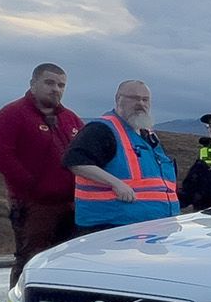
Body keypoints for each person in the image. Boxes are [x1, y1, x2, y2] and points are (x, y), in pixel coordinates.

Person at [0, 63, 85, 284]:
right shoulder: (11, 114)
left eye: (61, 85)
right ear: (33, 84)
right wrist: (31, 187)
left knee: (66, 261)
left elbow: (84, 156)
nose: (56, 89)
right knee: (30, 261)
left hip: (71, 204)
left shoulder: (71, 119)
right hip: (34, 206)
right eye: (49, 83)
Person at [62, 79, 180, 229]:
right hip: (111, 226)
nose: (141, 104)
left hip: (152, 226)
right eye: (134, 98)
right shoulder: (101, 129)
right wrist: (116, 184)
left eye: (145, 99)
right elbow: (76, 162)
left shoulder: (148, 136)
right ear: (118, 99)